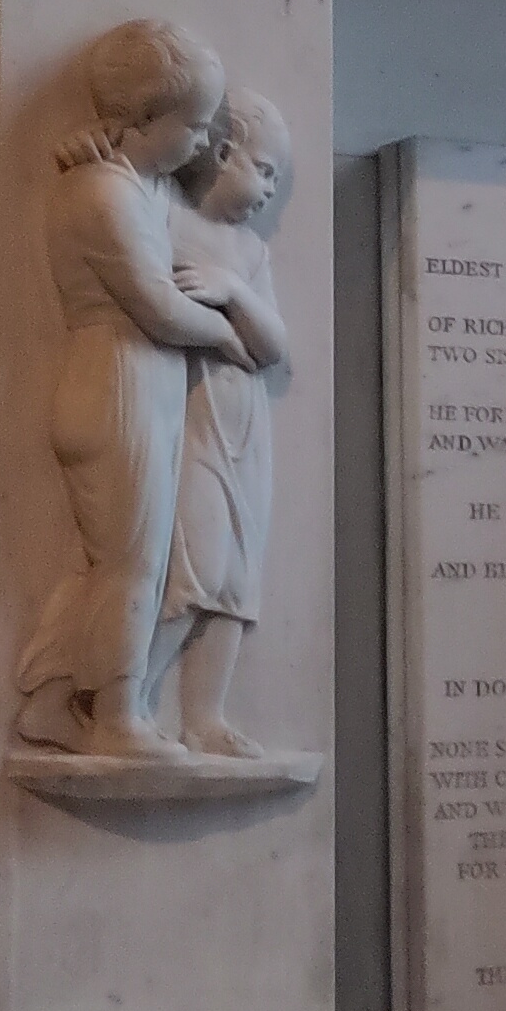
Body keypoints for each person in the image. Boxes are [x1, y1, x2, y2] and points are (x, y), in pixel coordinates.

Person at [17, 19, 252, 761]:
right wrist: (225, 335)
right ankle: (118, 714)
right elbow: (156, 305)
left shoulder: (129, 182)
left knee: (113, 560)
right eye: (193, 125)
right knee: (133, 563)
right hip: (115, 381)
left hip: (134, 382)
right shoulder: (103, 197)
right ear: (145, 119)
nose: (202, 142)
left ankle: (53, 700)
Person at [161, 89, 293, 759]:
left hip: (246, 432)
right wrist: (229, 337)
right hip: (189, 420)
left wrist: (237, 293)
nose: (269, 189)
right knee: (191, 566)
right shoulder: (164, 216)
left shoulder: (248, 253)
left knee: (236, 578)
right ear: (221, 152)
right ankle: (130, 700)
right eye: (264, 169)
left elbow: (272, 347)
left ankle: (204, 718)